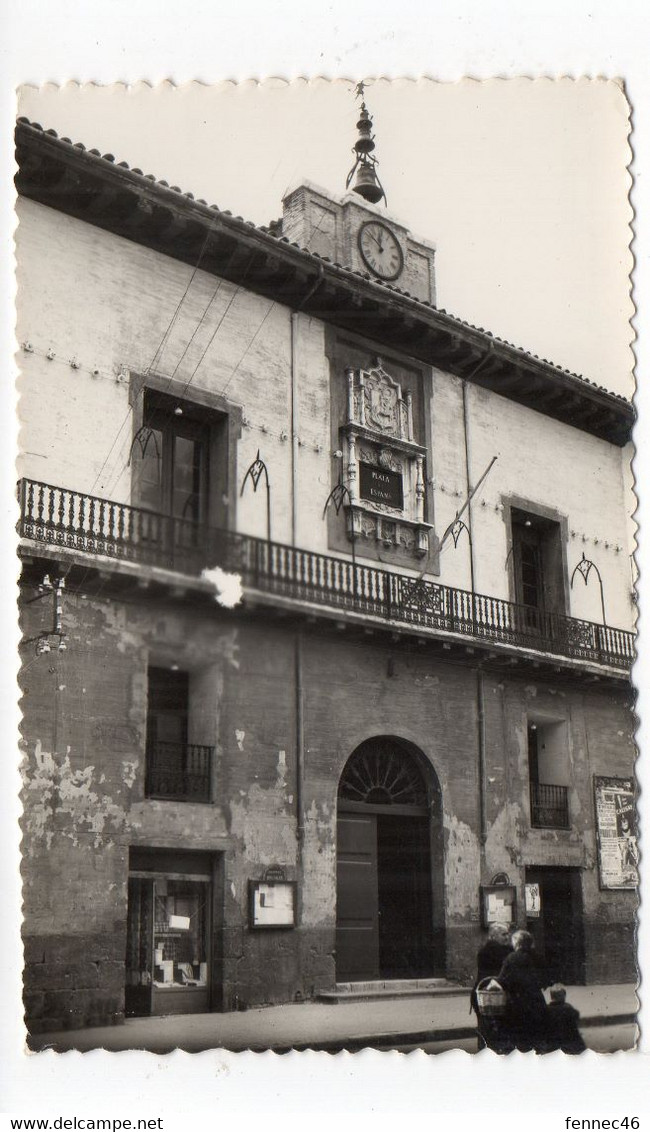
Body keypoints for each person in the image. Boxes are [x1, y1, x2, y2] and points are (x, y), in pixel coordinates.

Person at [496, 928, 551, 1053]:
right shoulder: (538, 957)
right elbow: (546, 978)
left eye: (513, 941)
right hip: (536, 999)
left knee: (519, 1034)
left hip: (517, 1001)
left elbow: (502, 979)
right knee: (536, 1032)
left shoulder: (512, 958)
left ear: (517, 943)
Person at [470, 923, 513, 1053]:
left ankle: (484, 1049)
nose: (507, 936)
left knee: (484, 1025)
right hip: (496, 994)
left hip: (482, 994)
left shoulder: (483, 950)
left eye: (507, 934)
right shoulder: (505, 951)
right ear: (493, 936)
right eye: (504, 934)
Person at [545, 984, 587, 1054]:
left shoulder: (548, 1009)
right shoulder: (568, 1008)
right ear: (563, 996)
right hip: (570, 1043)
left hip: (553, 1044)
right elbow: (576, 1015)